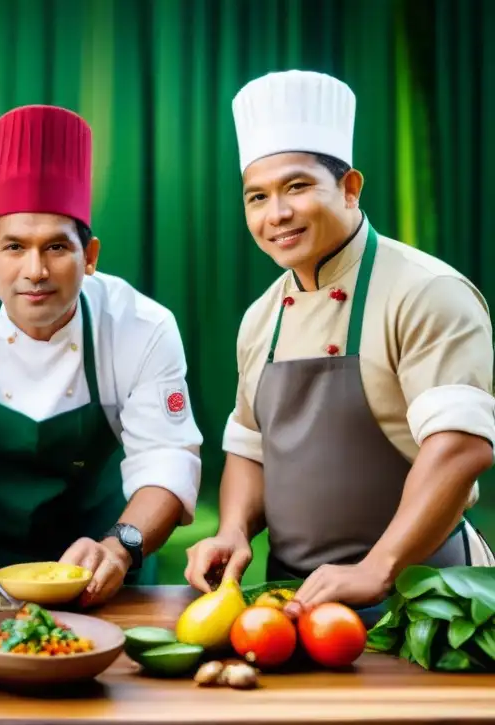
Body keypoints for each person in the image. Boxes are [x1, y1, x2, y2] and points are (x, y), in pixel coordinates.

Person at [184, 70, 495, 620]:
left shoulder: (426, 291)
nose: (275, 214)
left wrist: (377, 569)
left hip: (426, 601)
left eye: (297, 187)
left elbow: (460, 447)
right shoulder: (260, 319)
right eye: (257, 197)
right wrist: (233, 530)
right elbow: (250, 448)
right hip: (295, 610)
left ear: (350, 188)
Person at [0, 104, 203, 607]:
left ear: (89, 257)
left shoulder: (142, 327)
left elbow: (167, 458)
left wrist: (123, 545)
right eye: (14, 247)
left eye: (56, 248)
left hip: (100, 569)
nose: (35, 270)